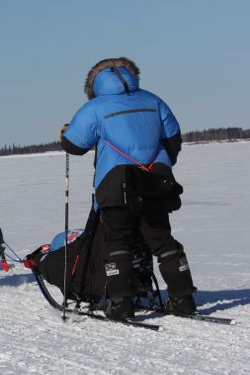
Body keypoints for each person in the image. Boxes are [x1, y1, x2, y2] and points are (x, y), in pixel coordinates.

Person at [60, 57, 197, 320]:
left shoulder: (94, 108)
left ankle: (121, 303)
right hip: (155, 181)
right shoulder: (153, 100)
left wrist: (65, 132)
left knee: (117, 241)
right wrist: (160, 166)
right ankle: (183, 298)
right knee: (162, 239)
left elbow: (73, 145)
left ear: (94, 84)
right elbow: (173, 140)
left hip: (115, 184)